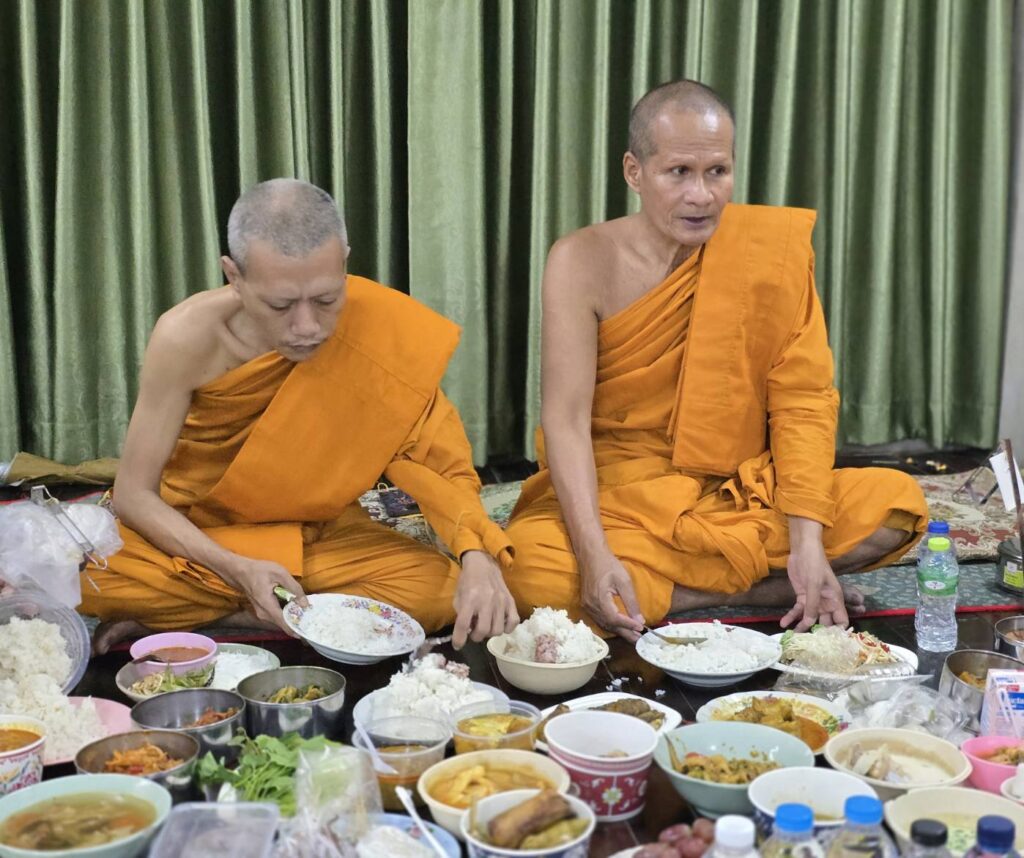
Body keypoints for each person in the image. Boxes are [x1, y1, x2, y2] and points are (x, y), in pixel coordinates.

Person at [505, 80, 927, 641]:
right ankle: (752, 591)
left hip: (737, 491)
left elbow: (802, 401)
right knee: (531, 568)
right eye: (679, 172)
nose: (701, 195)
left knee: (896, 505)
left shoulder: (767, 253)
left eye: (717, 172)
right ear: (634, 172)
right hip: (622, 496)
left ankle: (688, 591)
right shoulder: (580, 260)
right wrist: (595, 553)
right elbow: (565, 419)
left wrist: (806, 541)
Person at [82, 178, 517, 651]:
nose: (307, 327)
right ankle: (271, 607)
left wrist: (476, 555)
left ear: (343, 262)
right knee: (84, 574)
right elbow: (134, 495)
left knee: (439, 589)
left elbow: (439, 464)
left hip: (318, 535)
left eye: (326, 300)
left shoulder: (379, 328)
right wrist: (237, 568)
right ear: (233, 275)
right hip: (205, 535)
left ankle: (217, 616)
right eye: (281, 304)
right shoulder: (186, 337)